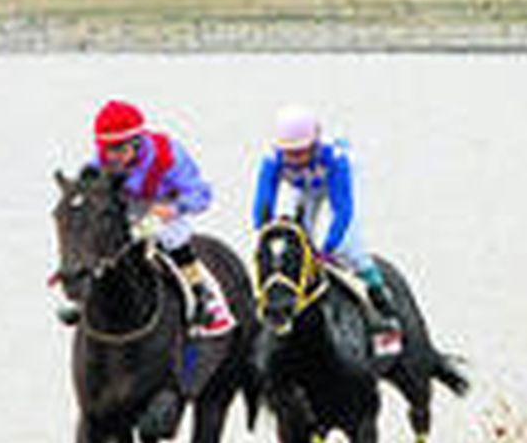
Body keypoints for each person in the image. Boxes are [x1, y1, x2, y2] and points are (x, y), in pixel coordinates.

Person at [63, 99, 233, 337]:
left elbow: (201, 195)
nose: (113, 158)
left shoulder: (170, 155)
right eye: (107, 150)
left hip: (162, 208)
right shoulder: (98, 162)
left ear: (137, 142)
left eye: (120, 150)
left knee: (172, 235)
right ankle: (83, 297)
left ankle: (202, 294)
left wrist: (174, 208)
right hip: (125, 209)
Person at [252, 105, 402, 340]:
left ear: (315, 143)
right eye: (289, 154)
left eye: (301, 152)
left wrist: (328, 249)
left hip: (335, 184)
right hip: (305, 189)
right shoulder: (271, 160)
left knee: (350, 248)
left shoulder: (336, 160)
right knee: (298, 239)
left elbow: (343, 212)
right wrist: (265, 231)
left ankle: (382, 302)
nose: (295, 160)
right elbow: (263, 201)